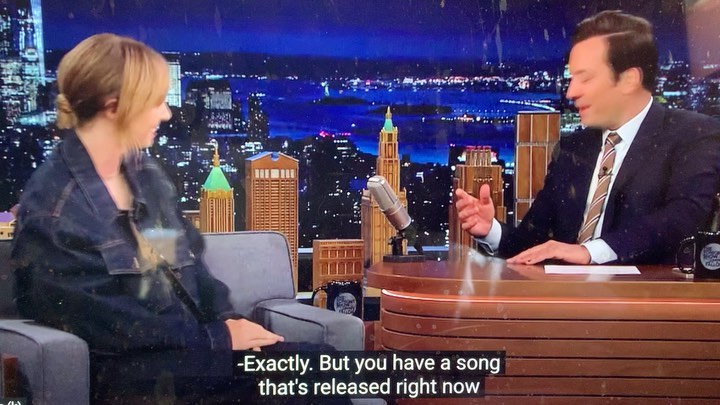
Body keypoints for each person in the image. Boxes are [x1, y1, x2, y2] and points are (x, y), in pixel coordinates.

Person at [10, 33, 332, 404]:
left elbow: (187, 266)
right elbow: (112, 326)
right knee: (310, 375)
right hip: (131, 377)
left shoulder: (143, 176)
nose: (166, 114)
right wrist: (219, 339)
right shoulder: (54, 209)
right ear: (114, 107)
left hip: (189, 355)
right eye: (156, 102)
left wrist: (229, 322)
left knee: (323, 365)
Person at [455, 10, 720, 265]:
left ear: (629, 79)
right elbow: (532, 245)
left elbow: (685, 219)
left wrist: (589, 253)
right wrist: (490, 229)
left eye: (585, 78)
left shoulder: (692, 135)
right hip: (561, 293)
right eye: (571, 79)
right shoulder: (574, 148)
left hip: (646, 293)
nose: (571, 92)